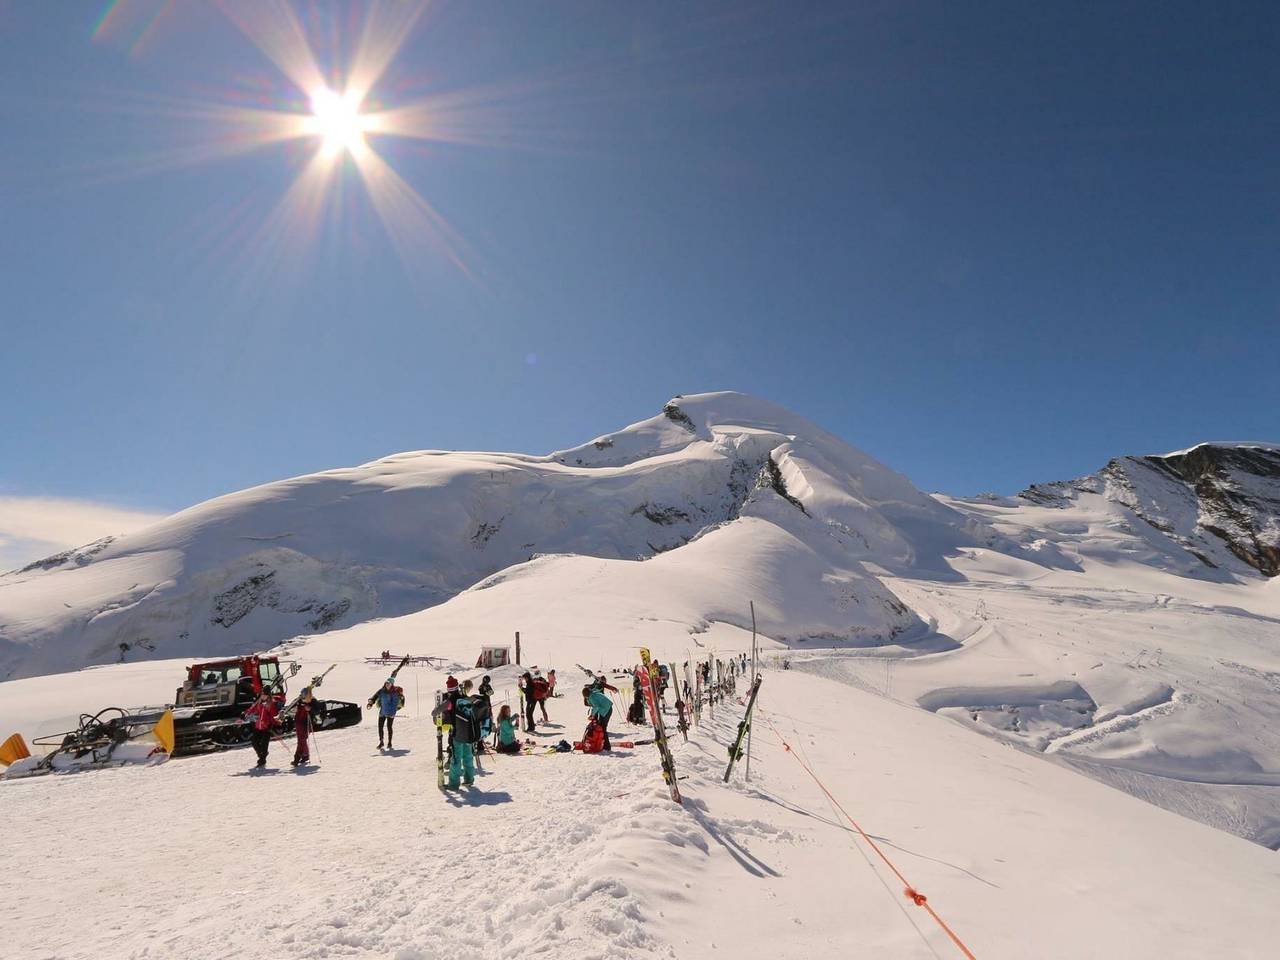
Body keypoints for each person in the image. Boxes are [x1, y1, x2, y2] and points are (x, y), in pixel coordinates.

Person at [443, 681, 479, 788]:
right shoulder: (465, 698)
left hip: (457, 734)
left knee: (456, 758)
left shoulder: (451, 700)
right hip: (468, 733)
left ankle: (454, 784)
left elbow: (439, 711)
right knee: (468, 756)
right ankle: (469, 779)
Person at [244, 688, 284, 768]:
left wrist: (271, 722)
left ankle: (262, 760)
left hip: (267, 726)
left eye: (264, 694)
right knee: (254, 741)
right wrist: (245, 713)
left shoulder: (271, 704)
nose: (262, 696)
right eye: (262, 694)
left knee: (264, 744)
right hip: (258, 725)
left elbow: (273, 716)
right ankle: (262, 754)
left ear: (268, 695)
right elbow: (252, 709)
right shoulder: (259, 702)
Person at [376, 677, 404, 749]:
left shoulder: (395, 693)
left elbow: (395, 704)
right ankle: (381, 742)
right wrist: (371, 702)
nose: (387, 685)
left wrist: (392, 713)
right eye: (386, 683)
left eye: (389, 683)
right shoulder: (382, 691)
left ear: (392, 684)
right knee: (380, 727)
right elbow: (376, 697)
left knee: (389, 727)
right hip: (382, 711)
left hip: (391, 713)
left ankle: (389, 743)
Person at [586, 681, 614, 751]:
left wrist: (592, 715)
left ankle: (606, 746)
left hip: (606, 710)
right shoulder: (593, 693)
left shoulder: (591, 697)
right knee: (601, 726)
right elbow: (597, 706)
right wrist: (593, 715)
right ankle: (603, 743)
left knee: (603, 727)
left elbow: (596, 707)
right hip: (607, 709)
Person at [292, 688, 314, 767]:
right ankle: (305, 755)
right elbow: (293, 708)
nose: (302, 696)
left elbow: (316, 709)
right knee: (301, 740)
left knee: (302, 741)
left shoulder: (312, 702)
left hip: (305, 724)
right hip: (298, 723)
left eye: (304, 694)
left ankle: (297, 758)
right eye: (302, 694)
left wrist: (310, 709)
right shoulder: (299, 701)